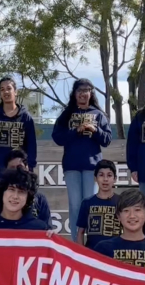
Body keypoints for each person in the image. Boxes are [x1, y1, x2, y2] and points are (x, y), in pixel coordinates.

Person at [52, 78, 112, 241]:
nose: (83, 94)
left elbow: (107, 139)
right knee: (75, 205)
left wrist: (95, 129)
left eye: (86, 90)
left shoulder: (98, 114)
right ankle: (76, 242)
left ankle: (91, 240)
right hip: (71, 166)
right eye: (80, 91)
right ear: (74, 94)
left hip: (92, 167)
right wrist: (75, 130)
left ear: (91, 93)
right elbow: (57, 137)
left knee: (90, 204)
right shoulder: (67, 114)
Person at [0, 76, 38, 188]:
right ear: (0, 94)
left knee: (18, 202)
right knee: (0, 204)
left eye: (9, 88)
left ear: (15, 92)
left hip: (20, 171)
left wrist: (30, 166)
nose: (5, 91)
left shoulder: (26, 118)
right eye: (2, 89)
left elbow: (31, 145)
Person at [0, 149, 51, 224]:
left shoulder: (40, 198)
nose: (17, 171)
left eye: (20, 167)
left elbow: (47, 228)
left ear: (27, 168)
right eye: (12, 168)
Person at [76, 159, 121, 250]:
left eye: (109, 175)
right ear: (95, 178)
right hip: (93, 255)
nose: (105, 179)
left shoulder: (121, 202)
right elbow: (80, 232)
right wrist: (82, 254)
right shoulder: (87, 203)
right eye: (101, 175)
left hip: (115, 254)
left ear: (115, 179)